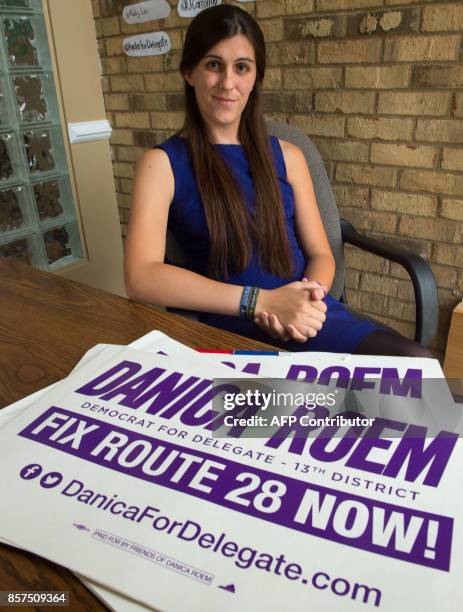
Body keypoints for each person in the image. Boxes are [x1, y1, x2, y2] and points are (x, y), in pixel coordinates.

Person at [124, 4, 432, 358]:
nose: (228, 82)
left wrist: (307, 303)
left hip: (309, 316)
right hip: (231, 325)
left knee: (415, 365)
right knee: (296, 409)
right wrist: (261, 302)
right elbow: (141, 276)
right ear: (189, 72)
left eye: (242, 67)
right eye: (213, 64)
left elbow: (320, 253)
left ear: (255, 78)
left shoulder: (289, 155)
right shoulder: (161, 164)